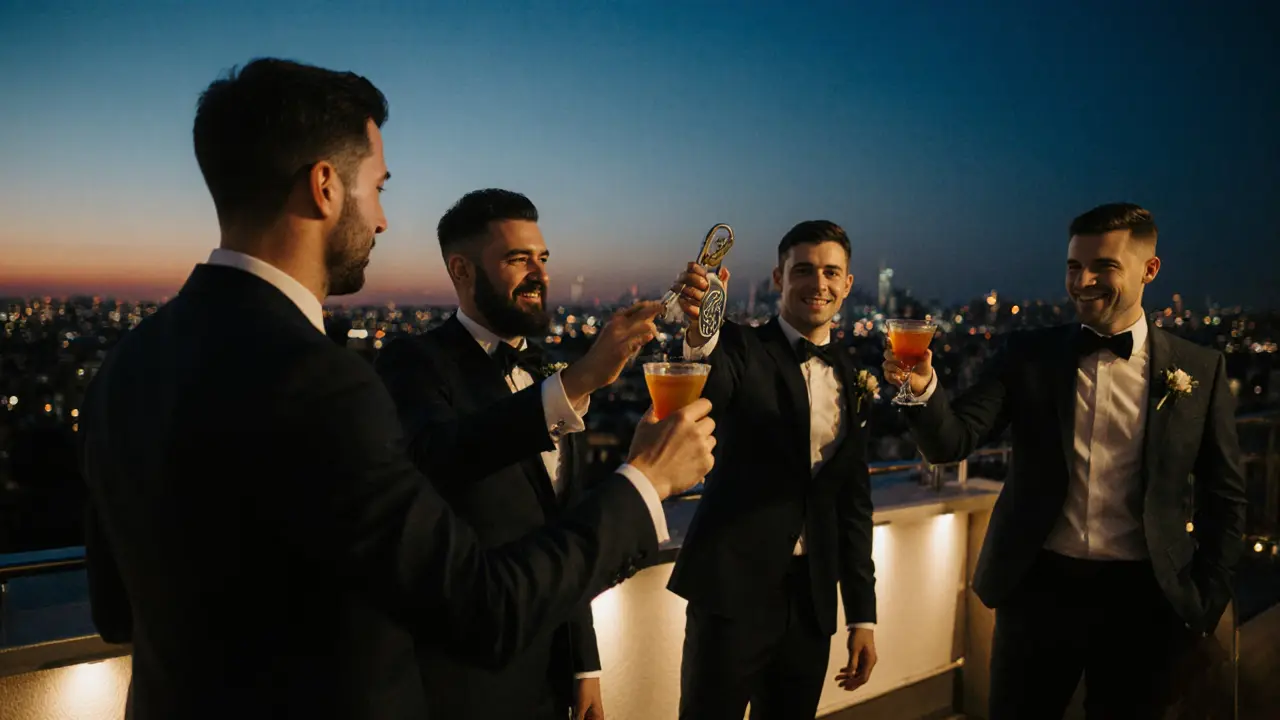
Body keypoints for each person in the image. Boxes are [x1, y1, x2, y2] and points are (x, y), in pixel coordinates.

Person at [78, 58, 716, 720]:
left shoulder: (128, 363)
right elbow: (483, 608)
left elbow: (116, 613)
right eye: (377, 187)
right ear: (325, 187)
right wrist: (645, 480)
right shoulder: (323, 382)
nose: (382, 220)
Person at [882, 202, 1246, 719]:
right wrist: (920, 391)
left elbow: (1224, 497)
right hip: (1038, 592)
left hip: (1143, 601)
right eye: (1074, 266)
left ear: (1150, 269)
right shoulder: (1028, 355)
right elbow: (950, 443)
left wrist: (1205, 602)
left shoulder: (1200, 369)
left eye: (1104, 267)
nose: (1083, 281)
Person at [375, 188, 657, 720]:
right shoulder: (414, 361)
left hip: (551, 683)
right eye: (517, 258)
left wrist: (584, 666)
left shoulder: (548, 370)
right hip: (467, 683)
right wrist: (578, 381)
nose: (539, 273)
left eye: (543, 258)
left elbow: (565, 522)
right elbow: (438, 458)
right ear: (461, 270)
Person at [666, 220, 879, 720]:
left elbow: (852, 503)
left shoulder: (851, 373)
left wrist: (862, 617)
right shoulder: (741, 347)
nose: (818, 283)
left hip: (811, 600)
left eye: (831, 272)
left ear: (848, 284)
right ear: (778, 278)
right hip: (731, 592)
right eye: (803, 270)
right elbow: (709, 382)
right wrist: (700, 331)